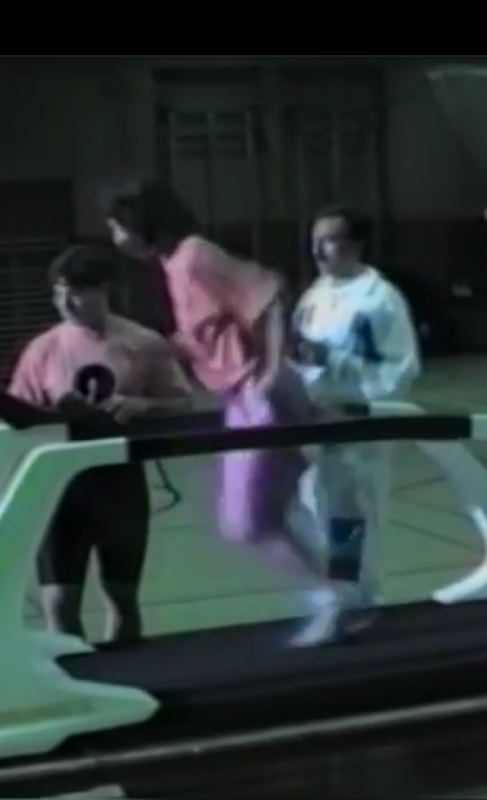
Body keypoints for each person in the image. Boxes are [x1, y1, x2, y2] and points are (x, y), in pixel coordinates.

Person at [101, 177, 356, 647]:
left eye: (117, 226)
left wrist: (270, 372)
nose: (114, 237)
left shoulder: (195, 256)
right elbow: (209, 338)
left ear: (140, 222)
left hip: (260, 394)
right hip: (241, 397)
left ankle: (334, 597)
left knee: (249, 521)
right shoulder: (173, 266)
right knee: (258, 519)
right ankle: (338, 594)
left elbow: (269, 296)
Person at [7, 245, 194, 644]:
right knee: (59, 603)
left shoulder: (143, 342)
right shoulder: (43, 349)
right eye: (59, 293)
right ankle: (76, 674)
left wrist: (142, 405)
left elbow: (181, 402)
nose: (66, 302)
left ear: (103, 289)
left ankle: (129, 670)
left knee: (122, 598)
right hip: (60, 487)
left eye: (76, 292)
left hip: (119, 483)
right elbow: (17, 415)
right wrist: (52, 413)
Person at [294, 205, 422, 621]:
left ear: (356, 244)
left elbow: (399, 371)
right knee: (316, 508)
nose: (318, 250)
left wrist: (333, 362)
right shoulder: (314, 296)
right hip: (316, 425)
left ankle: (362, 600)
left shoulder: (380, 300)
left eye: (329, 240)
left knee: (354, 516)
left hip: (360, 428)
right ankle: (334, 593)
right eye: (314, 240)